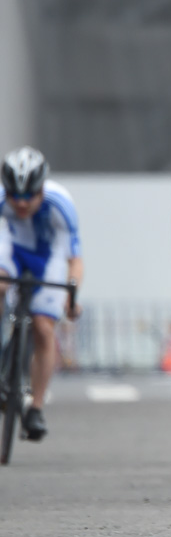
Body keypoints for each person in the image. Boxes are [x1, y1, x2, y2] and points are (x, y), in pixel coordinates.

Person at [0, 147, 82, 442]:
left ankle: (35, 407)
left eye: (29, 197)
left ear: (41, 189)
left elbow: (74, 260)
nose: (21, 204)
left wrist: (72, 298)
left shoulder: (60, 204)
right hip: (13, 250)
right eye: (14, 196)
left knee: (44, 328)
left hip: (49, 259)